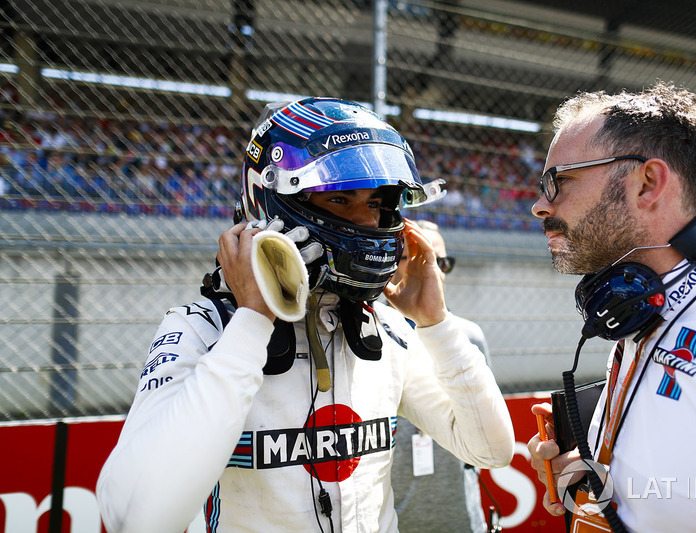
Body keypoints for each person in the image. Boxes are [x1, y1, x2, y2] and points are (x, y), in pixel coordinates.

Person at [96, 97, 515, 533]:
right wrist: (253, 321)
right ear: (272, 200)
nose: (368, 224)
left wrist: (437, 324)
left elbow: (490, 449)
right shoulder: (201, 330)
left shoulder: (387, 329)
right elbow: (136, 517)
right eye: (339, 199)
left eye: (376, 203)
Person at [526, 82, 696, 532]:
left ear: (648, 183)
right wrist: (593, 480)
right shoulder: (637, 309)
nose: (540, 205)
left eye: (559, 181)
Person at [389, 219, 494, 533]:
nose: (436, 271)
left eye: (442, 262)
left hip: (463, 518)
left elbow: (484, 428)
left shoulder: (469, 337)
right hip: (394, 520)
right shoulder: (368, 337)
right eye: (424, 258)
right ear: (394, 263)